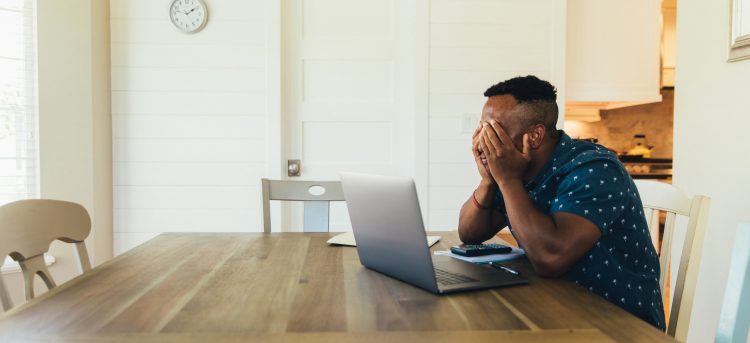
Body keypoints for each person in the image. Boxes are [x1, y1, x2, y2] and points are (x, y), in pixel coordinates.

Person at [457, 75, 666, 330]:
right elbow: (470, 233)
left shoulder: (594, 168)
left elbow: (550, 258)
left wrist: (508, 178)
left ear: (534, 136)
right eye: (483, 128)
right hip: (555, 308)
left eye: (495, 130)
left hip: (619, 325)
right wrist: (489, 180)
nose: (485, 140)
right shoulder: (519, 168)